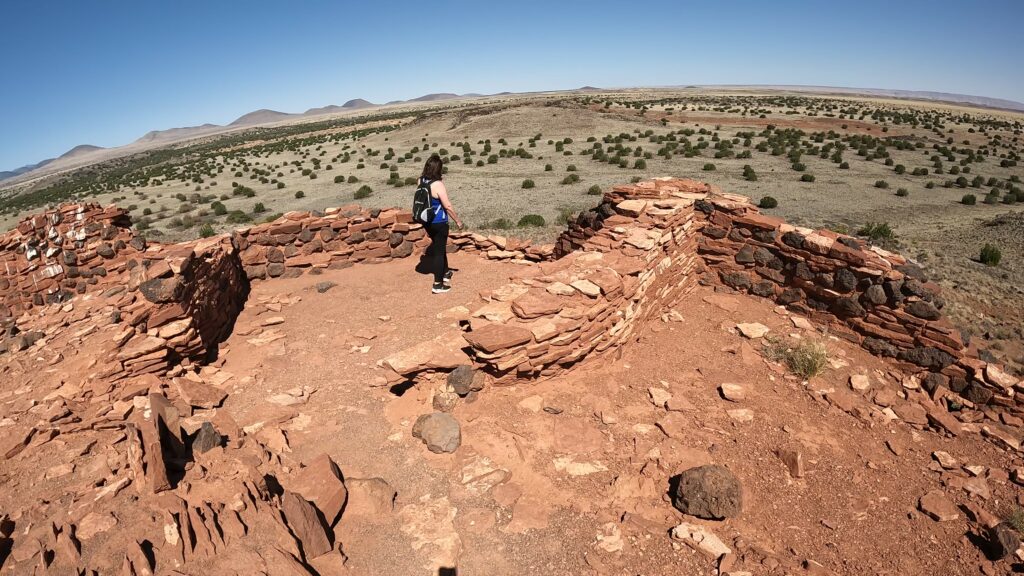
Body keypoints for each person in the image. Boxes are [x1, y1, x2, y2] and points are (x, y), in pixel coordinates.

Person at [419, 154, 463, 293]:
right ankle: (438, 285)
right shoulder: (438, 184)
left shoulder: (420, 180)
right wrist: (457, 220)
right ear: (439, 169)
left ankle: (445, 272)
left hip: (427, 220)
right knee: (438, 252)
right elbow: (447, 206)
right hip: (439, 221)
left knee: (439, 247)